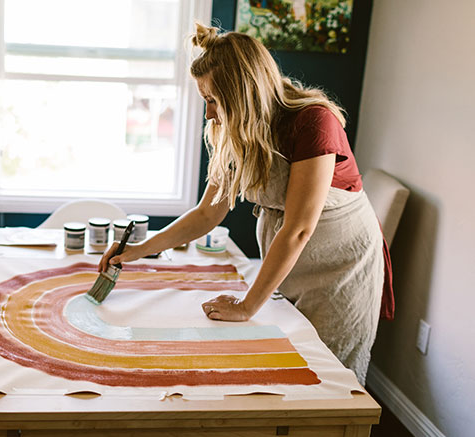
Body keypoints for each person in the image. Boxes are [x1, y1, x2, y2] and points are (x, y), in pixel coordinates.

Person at [98, 23, 391, 385]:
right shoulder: (236, 130)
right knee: (286, 371)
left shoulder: (315, 122)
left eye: (212, 101)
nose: (209, 114)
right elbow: (208, 212)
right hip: (291, 266)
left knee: (328, 380)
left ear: (242, 95)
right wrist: (138, 250)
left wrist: (248, 305)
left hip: (340, 270)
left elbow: (298, 228)